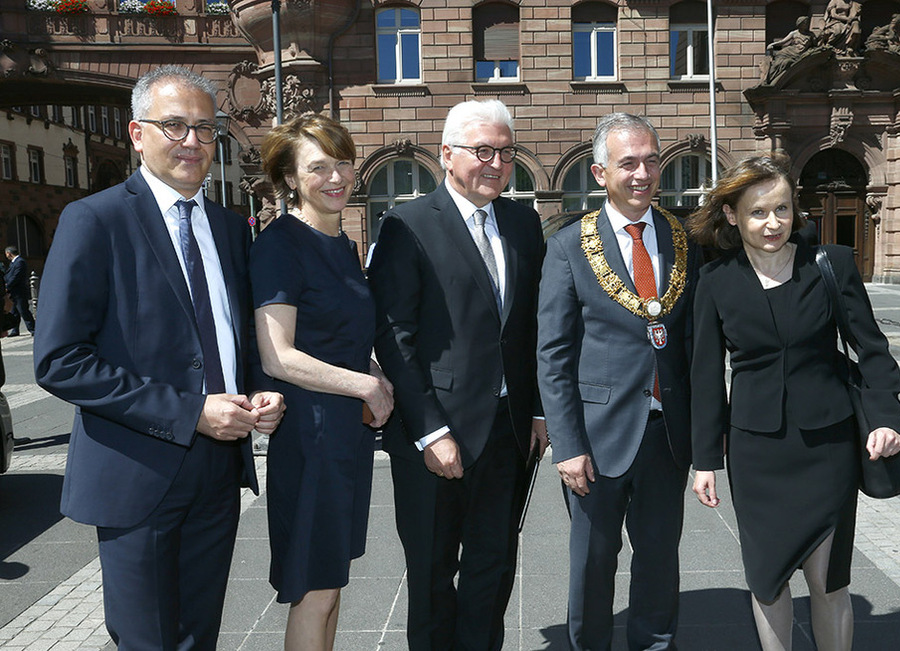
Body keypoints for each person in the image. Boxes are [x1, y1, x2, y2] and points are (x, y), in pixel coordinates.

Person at [33, 65, 285, 650]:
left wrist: (259, 389)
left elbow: (230, 334)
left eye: (205, 129)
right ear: (136, 133)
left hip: (218, 471)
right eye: (174, 126)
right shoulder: (93, 220)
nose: (193, 142)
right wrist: (189, 412)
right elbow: (60, 360)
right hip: (136, 471)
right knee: (147, 640)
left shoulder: (228, 227)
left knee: (199, 637)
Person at [686, 155, 900, 651]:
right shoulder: (715, 282)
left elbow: (872, 350)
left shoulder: (831, 265)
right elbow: (704, 376)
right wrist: (705, 460)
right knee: (768, 581)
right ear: (732, 215)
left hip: (828, 447)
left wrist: (887, 419)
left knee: (829, 581)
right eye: (759, 211)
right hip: (756, 452)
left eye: (782, 209)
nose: (772, 223)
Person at [368, 99, 547, 651]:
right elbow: (393, 338)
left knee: (492, 570)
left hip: (507, 431)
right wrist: (430, 431)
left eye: (506, 152)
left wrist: (537, 409)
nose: (495, 163)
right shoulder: (407, 224)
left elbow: (534, 324)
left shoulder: (523, 221)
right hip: (434, 434)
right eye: (482, 151)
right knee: (431, 574)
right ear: (447, 155)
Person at [536, 113, 700, 651]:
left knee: (659, 560)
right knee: (593, 564)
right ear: (599, 171)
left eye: (652, 160)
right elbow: (554, 353)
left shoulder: (683, 239)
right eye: (628, 162)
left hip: (666, 434)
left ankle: (654, 645)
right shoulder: (568, 245)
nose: (643, 173)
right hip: (596, 436)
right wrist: (567, 443)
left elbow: (695, 342)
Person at [250, 113, 395, 651]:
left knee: (330, 586)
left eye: (341, 163)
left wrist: (373, 372)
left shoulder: (340, 243)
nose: (335, 177)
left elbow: (342, 341)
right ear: (289, 179)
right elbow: (278, 355)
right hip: (310, 438)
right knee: (313, 590)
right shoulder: (280, 244)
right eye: (317, 167)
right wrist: (364, 386)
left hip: (344, 438)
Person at [765, 16, 817, 83]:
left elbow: (816, 45)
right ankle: (769, 78)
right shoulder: (794, 33)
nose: (806, 25)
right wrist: (772, 45)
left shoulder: (811, 34)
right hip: (791, 51)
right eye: (804, 23)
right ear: (799, 24)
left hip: (802, 53)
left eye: (807, 23)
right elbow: (783, 42)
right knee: (778, 61)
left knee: (786, 62)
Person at [4, 245, 35, 336]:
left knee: (24, 311)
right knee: (14, 312)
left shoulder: (20, 262)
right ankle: (15, 330)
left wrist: (7, 286)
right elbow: (8, 276)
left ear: (8, 253)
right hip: (13, 292)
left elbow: (16, 277)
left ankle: (33, 329)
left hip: (19, 292)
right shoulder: (14, 262)